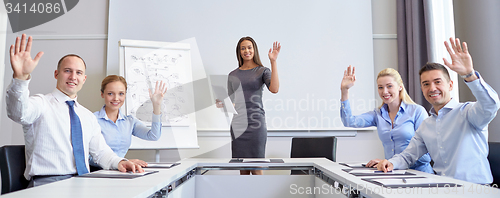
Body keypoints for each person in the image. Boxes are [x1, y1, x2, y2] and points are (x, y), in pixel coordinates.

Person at [6, 34, 143, 187]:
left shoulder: (87, 116)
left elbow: (101, 152)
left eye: (78, 73)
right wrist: (20, 78)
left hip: (82, 182)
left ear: (84, 79)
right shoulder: (41, 103)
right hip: (47, 184)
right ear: (56, 74)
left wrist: (121, 162)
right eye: (67, 71)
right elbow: (18, 113)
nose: (73, 77)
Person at [377, 38, 500, 184]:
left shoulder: (468, 112)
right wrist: (391, 163)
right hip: (443, 189)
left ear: (450, 85)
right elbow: (408, 155)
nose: (432, 88)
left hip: (475, 190)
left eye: (437, 82)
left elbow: (491, 105)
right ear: (422, 89)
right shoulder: (426, 125)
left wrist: (469, 75)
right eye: (426, 84)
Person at [340, 66, 433, 173]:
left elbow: (426, 151)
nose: (384, 91)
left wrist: (393, 162)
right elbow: (349, 121)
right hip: (394, 173)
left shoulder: (417, 111)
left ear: (400, 87)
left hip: (420, 173)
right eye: (380, 87)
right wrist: (344, 90)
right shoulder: (378, 114)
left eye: (389, 86)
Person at [216, 36, 280, 175]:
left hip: (256, 125)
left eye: (249, 47)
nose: (246, 50)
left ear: (254, 50)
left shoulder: (262, 71)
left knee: (257, 170)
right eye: (243, 48)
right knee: (243, 171)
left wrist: (273, 61)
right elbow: (233, 103)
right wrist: (223, 103)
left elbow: (274, 89)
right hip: (238, 125)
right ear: (239, 52)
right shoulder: (232, 74)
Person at [92, 75, 167, 168]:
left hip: (121, 172)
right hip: (97, 173)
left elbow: (154, 136)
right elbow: (87, 156)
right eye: (110, 94)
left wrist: (156, 106)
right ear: (102, 94)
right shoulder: (93, 120)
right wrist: (120, 162)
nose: (116, 98)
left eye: (121, 94)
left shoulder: (129, 122)